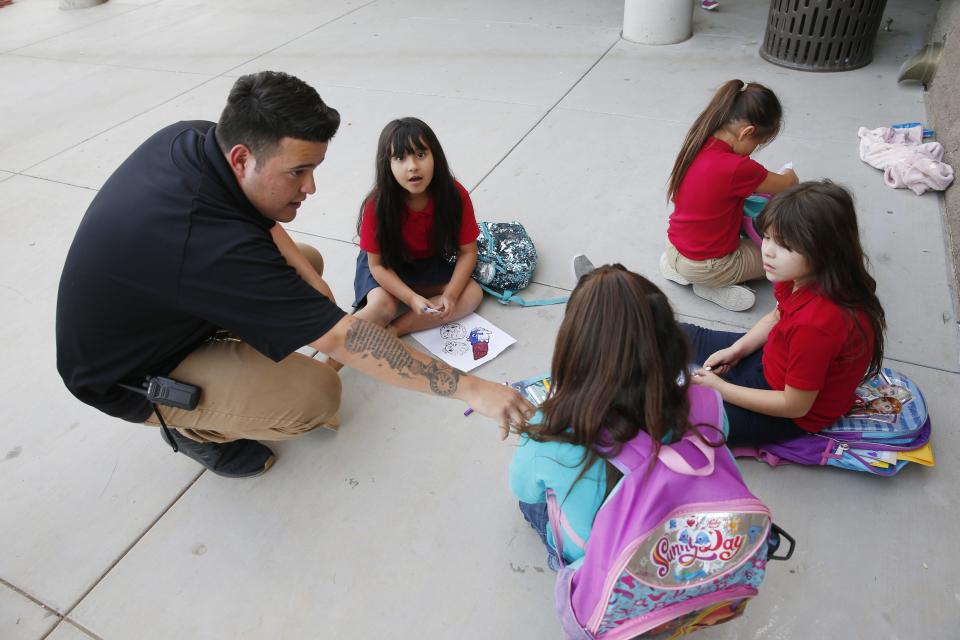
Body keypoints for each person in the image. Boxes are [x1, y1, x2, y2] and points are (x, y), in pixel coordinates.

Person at [56, 71, 531, 479]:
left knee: (308, 262)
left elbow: (261, 222)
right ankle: (194, 430)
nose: (311, 187)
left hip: (162, 301)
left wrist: (313, 284)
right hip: (126, 372)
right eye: (299, 172)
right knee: (316, 396)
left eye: (315, 168)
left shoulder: (199, 139)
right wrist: (472, 388)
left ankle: (240, 342)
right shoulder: (209, 247)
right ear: (243, 158)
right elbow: (346, 340)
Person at [509, 265, 728, 568]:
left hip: (605, 568)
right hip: (685, 546)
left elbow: (523, 489)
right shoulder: (708, 401)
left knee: (529, 504)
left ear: (573, 351)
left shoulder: (551, 429)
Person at [682, 180, 886, 446]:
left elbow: (794, 406)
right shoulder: (803, 276)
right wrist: (737, 350)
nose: (767, 250)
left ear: (825, 250)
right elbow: (776, 317)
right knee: (675, 334)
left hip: (786, 412)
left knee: (674, 418)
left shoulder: (817, 325)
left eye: (785, 246)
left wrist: (720, 389)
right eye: (767, 237)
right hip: (771, 362)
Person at [660, 79, 799, 311]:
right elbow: (787, 184)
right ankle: (713, 284)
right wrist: (789, 172)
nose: (753, 151)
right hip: (710, 265)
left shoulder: (698, 139)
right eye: (758, 144)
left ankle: (679, 269)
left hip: (675, 246)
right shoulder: (737, 168)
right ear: (747, 132)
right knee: (789, 257)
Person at [353, 118, 483, 335]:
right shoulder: (377, 204)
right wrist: (410, 298)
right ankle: (326, 363)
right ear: (387, 164)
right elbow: (376, 266)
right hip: (386, 266)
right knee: (380, 307)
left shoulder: (455, 195)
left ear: (435, 157)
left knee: (471, 293)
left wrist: (450, 295)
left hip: (428, 265)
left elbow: (468, 252)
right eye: (400, 158)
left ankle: (392, 332)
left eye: (421, 155)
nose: (412, 166)